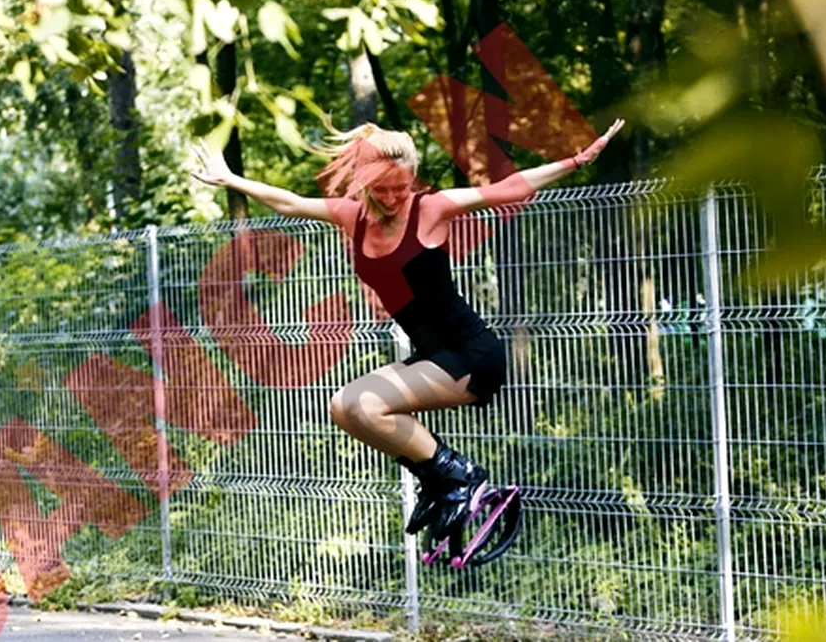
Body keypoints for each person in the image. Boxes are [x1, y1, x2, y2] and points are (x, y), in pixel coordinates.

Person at [190, 120, 623, 560]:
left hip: (472, 354)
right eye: (384, 190)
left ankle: (461, 475)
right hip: (433, 355)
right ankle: (438, 478)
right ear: (365, 183)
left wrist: (575, 161)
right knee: (343, 407)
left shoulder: (430, 208)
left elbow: (508, 188)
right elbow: (291, 203)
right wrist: (230, 180)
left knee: (369, 406)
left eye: (402, 188)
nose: (394, 199)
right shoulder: (351, 217)